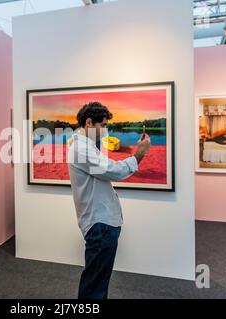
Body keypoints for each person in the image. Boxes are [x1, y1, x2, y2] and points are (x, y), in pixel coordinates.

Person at [67, 102, 151, 299]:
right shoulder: (80, 149)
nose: (105, 130)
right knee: (95, 286)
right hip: (100, 224)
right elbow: (113, 170)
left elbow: (105, 170)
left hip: (102, 222)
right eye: (103, 125)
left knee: (97, 281)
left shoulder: (84, 146)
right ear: (89, 123)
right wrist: (140, 154)